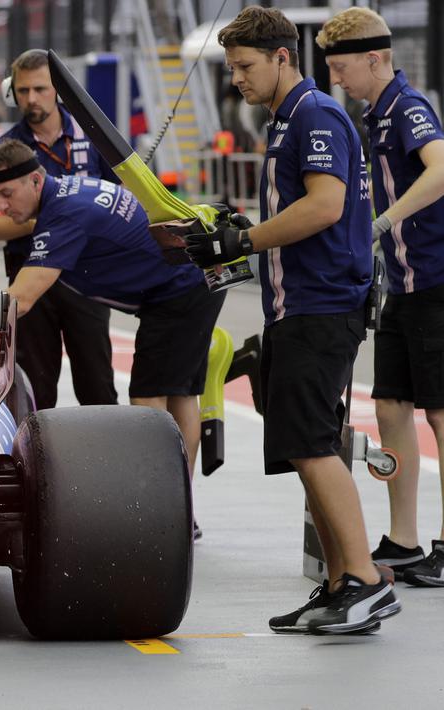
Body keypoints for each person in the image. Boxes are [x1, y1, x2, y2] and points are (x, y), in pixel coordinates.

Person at [188, 6, 398, 635]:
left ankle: (363, 581)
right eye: (232, 68)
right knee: (306, 448)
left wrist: (243, 241)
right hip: (293, 305)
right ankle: (339, 584)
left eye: (246, 66)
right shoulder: (286, 120)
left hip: (323, 305)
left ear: (283, 57)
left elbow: (327, 205)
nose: (237, 81)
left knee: (313, 447)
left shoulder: (314, 114)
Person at [0, 140, 225, 495]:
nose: (1, 208)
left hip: (180, 291)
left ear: (35, 181)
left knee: (148, 401)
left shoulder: (64, 216)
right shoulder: (66, 193)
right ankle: (179, 504)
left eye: (6, 194)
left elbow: (21, 299)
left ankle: (160, 505)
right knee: (179, 394)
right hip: (190, 280)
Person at [317, 8, 444, 586]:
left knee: (441, 413)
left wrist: (384, 220)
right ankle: (406, 540)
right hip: (403, 282)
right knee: (391, 405)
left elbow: (441, 169)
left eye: (342, 68)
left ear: (375, 58)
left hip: (438, 280)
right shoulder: (374, 115)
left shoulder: (409, 108)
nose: (336, 79)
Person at [0, 49, 118, 412]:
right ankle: (35, 461)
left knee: (97, 384)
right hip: (30, 275)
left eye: (39, 89)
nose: (31, 99)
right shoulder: (2, 151)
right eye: (22, 91)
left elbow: (121, 199)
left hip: (87, 276)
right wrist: (51, 223)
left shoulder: (97, 135)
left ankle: (105, 462)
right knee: (35, 386)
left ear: (58, 91)